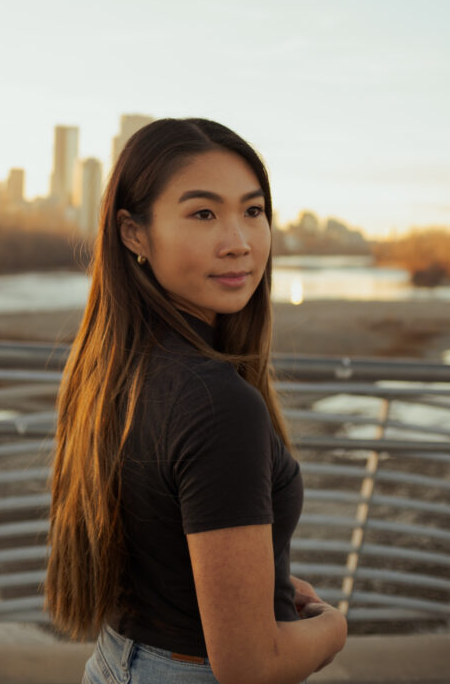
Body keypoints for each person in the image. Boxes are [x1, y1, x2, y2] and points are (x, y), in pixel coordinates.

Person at [45, 117, 347, 684]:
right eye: (203, 213)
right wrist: (335, 629)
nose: (238, 242)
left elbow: (160, 544)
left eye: (253, 211)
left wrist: (265, 587)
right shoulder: (217, 403)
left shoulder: (113, 366)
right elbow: (251, 667)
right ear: (134, 233)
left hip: (116, 662)